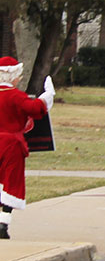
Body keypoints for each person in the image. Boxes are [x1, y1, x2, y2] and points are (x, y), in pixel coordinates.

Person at [0, 57, 55, 239]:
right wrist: (47, 97)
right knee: (11, 182)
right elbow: (34, 109)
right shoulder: (15, 96)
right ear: (12, 76)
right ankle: (3, 223)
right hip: (11, 145)